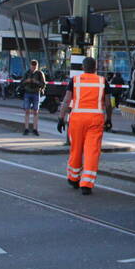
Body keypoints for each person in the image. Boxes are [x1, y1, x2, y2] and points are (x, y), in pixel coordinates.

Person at [57, 57, 113, 195]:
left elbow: (66, 100)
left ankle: (73, 178)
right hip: (95, 120)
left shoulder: (75, 81)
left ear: (83, 67)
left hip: (77, 120)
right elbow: (108, 104)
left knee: (76, 149)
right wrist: (109, 118)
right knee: (92, 151)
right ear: (95, 68)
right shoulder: (102, 81)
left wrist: (61, 118)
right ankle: (86, 184)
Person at [20, 59, 47, 136]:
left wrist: (36, 82)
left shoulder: (40, 73)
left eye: (35, 66)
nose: (33, 68)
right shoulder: (27, 73)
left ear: (37, 66)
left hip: (36, 93)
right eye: (32, 66)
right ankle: (26, 129)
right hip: (28, 93)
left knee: (35, 111)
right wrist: (27, 81)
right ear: (30, 66)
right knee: (27, 111)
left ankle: (35, 129)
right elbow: (21, 83)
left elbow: (43, 84)